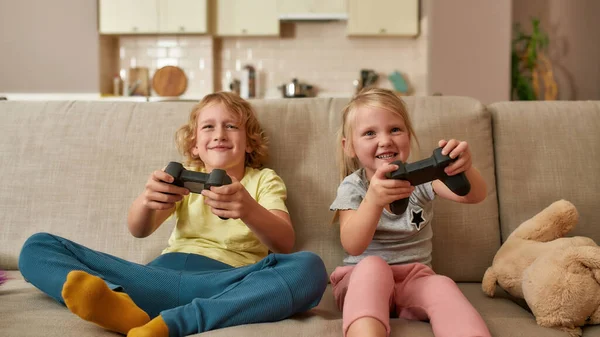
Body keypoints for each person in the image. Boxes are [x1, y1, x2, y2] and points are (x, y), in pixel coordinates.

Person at [18, 91, 328, 337]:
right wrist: (148, 200)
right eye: (209, 126)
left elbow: (285, 242)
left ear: (250, 143)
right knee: (37, 246)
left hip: (226, 285)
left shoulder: (262, 180)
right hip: (156, 280)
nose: (220, 133)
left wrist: (248, 209)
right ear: (195, 146)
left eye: (231, 126)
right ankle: (117, 305)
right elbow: (138, 230)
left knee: (310, 267)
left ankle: (175, 323)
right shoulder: (184, 177)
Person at [330, 88, 491, 337]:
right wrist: (373, 200)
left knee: (441, 284)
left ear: (408, 135)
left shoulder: (422, 179)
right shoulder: (353, 186)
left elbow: (474, 196)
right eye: (370, 133)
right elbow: (352, 244)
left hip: (413, 279)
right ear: (349, 146)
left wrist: (464, 168)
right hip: (360, 281)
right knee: (373, 266)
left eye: (395, 129)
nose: (385, 140)